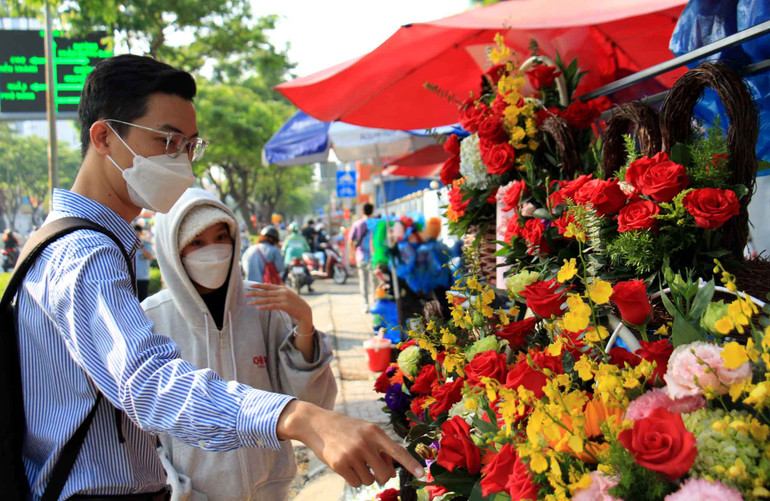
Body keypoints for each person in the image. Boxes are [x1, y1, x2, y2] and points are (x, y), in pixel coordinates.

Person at [15, 54, 422, 500]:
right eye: (167, 141)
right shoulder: (84, 252)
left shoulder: (89, 244)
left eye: (190, 146)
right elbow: (148, 384)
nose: (182, 162)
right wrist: (296, 417)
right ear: (104, 137)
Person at [143, 188, 336, 500]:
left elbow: (313, 402)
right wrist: (176, 488)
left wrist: (304, 323)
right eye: (197, 242)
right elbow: (140, 427)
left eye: (221, 237)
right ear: (173, 249)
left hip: (270, 489)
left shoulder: (263, 304)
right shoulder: (151, 320)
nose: (214, 250)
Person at [348, 203, 374, 313]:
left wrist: (351, 254)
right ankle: (375, 302)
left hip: (361, 256)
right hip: (375, 257)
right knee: (375, 281)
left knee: (364, 281)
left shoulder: (357, 224)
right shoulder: (376, 223)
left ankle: (366, 304)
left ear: (362, 211)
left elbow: (350, 240)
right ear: (372, 211)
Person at [134, 223, 155, 301]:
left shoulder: (146, 245)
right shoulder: (129, 245)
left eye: (137, 234)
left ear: (141, 233)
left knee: (143, 301)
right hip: (132, 278)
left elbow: (150, 257)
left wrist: (141, 246)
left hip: (143, 278)